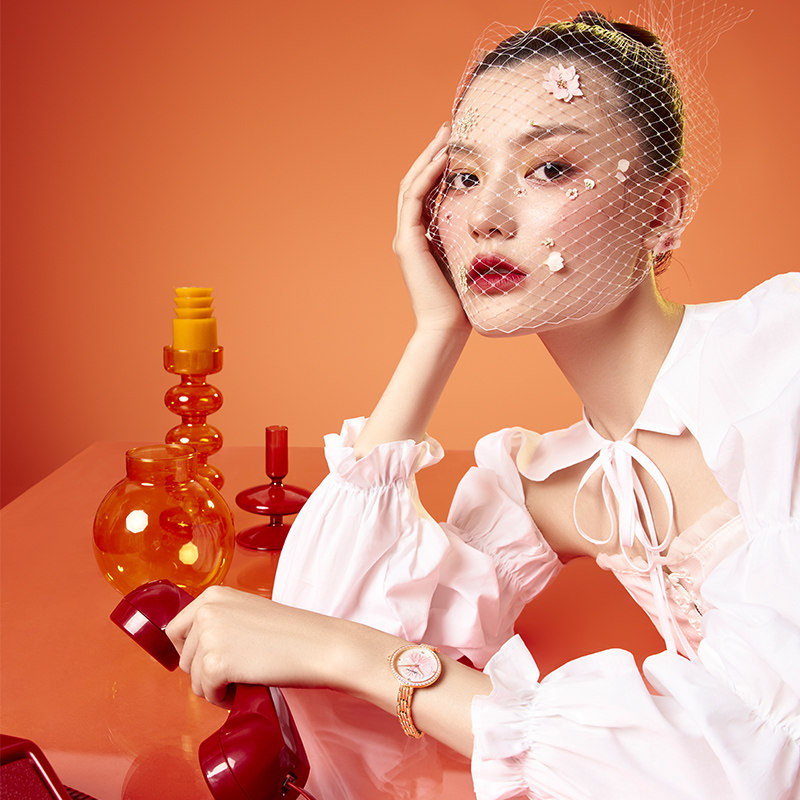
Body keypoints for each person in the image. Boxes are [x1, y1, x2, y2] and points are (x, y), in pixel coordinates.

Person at [165, 10, 800, 799]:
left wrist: (358, 659)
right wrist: (435, 335)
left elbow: (753, 760)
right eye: (463, 177)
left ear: (662, 213)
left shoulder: (781, 363)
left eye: (550, 168)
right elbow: (320, 634)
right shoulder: (548, 485)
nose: (487, 216)